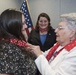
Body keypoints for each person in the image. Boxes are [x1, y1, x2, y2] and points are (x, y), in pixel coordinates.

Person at [0, 9, 37, 75]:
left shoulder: (17, 42)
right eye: (23, 23)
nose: (26, 26)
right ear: (13, 26)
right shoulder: (6, 49)